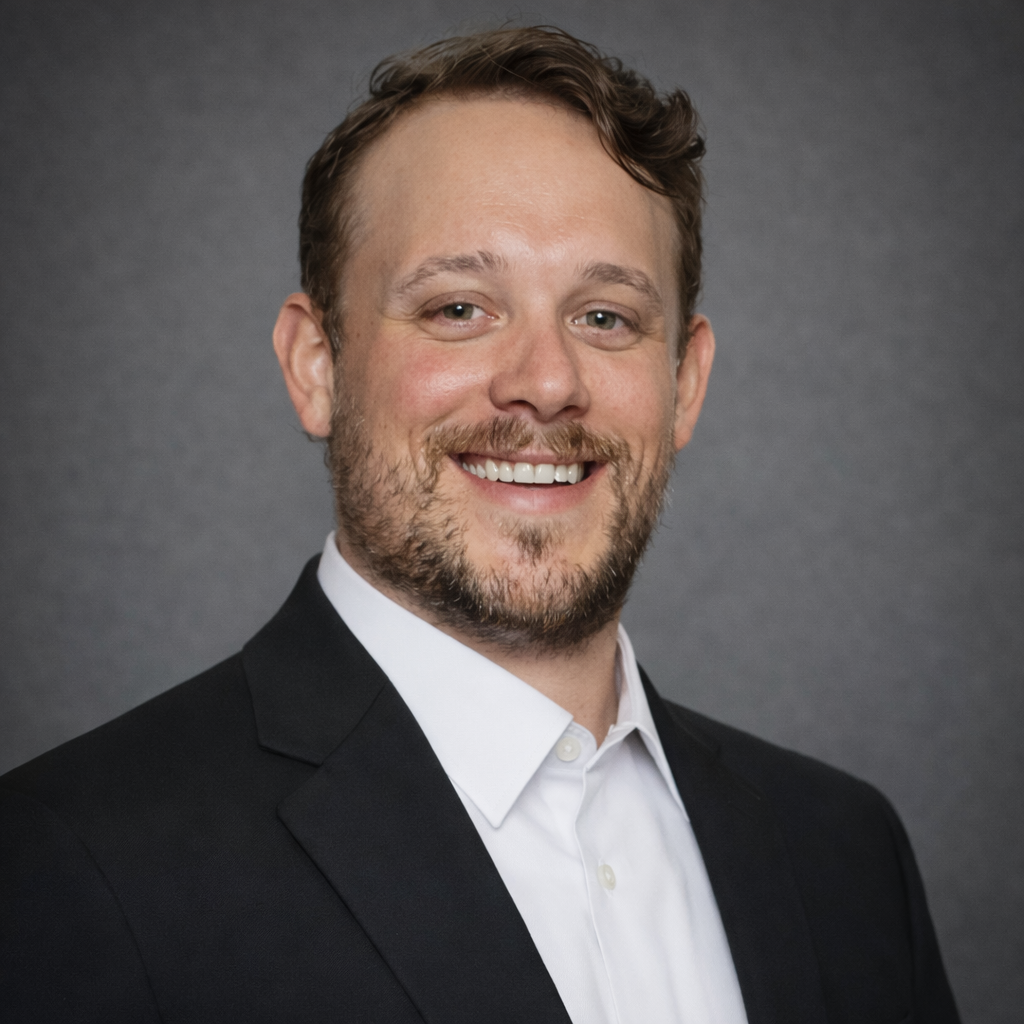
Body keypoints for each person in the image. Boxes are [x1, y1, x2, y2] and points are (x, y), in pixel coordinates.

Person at [0, 25, 959, 1023]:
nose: (545, 381)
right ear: (314, 365)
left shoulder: (845, 855)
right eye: (459, 307)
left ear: (685, 383)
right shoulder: (74, 863)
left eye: (604, 317)